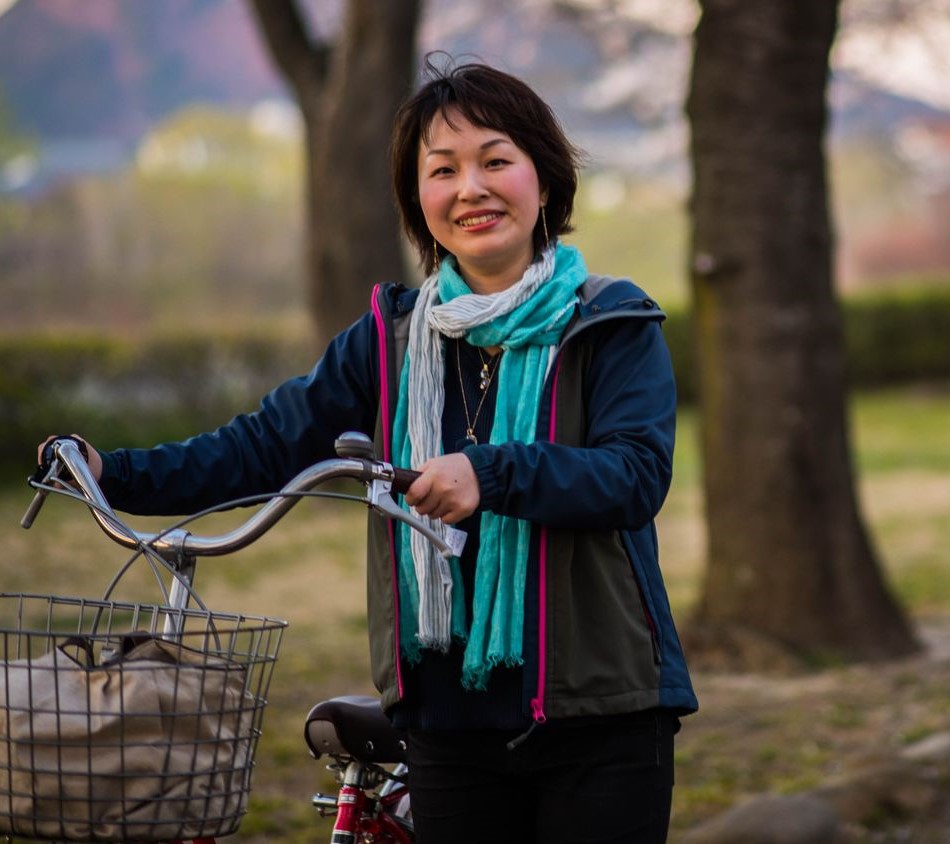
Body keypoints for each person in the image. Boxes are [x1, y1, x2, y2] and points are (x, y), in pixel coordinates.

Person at [40, 58, 697, 843]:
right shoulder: (389, 341)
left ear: (545, 182)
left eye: (496, 161)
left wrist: (490, 473)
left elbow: (633, 478)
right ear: (419, 201)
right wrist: (113, 472)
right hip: (448, 720)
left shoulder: (610, 324)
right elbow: (265, 445)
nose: (470, 189)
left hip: (602, 712)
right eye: (442, 170)